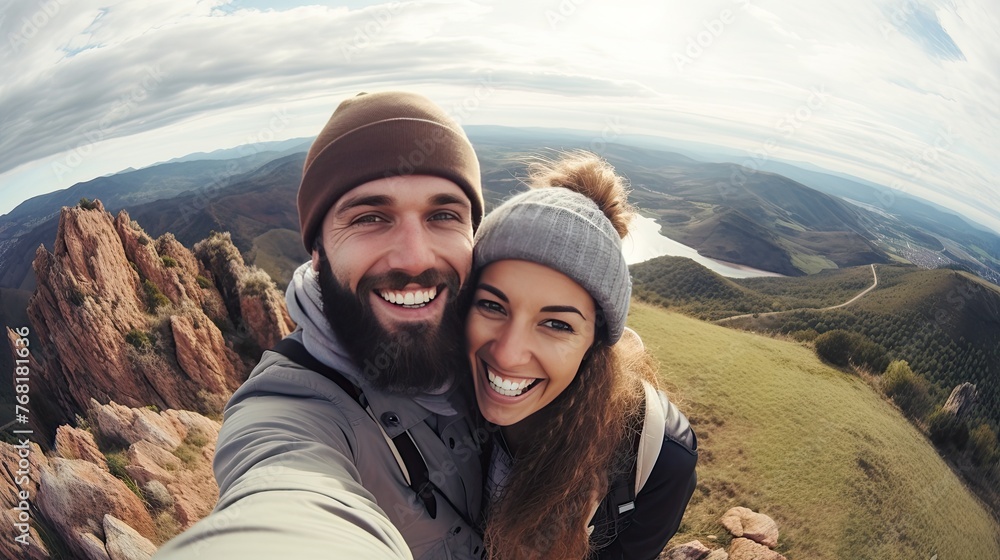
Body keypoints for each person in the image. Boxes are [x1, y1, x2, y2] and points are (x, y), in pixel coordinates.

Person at [155, 91, 488, 559]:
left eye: (444, 215)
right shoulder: (292, 409)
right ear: (318, 253)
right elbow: (285, 503)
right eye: (370, 217)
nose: (415, 256)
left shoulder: (504, 350)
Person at [466, 151, 698, 559]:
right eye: (492, 306)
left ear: (596, 343)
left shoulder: (659, 460)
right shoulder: (426, 396)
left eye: (557, 324)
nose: (508, 353)